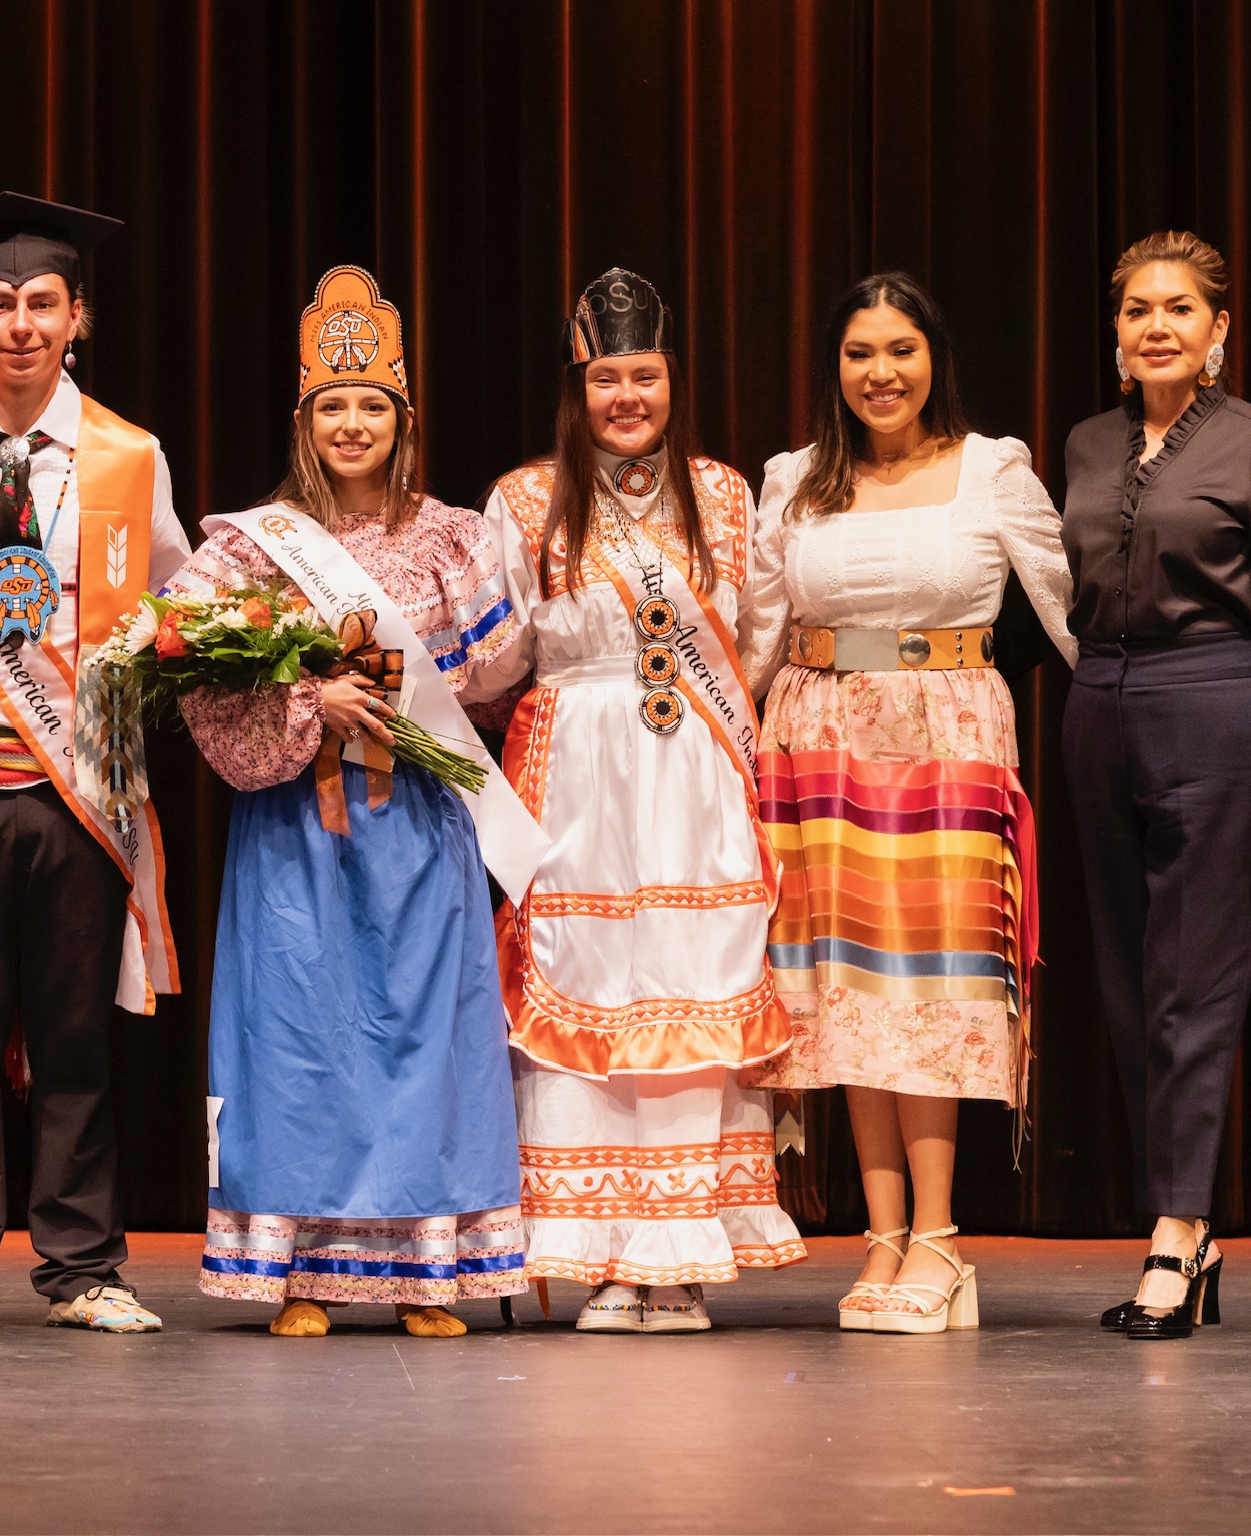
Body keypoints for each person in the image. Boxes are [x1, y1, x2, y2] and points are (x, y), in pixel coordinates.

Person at [171, 266, 544, 1338]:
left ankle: (427, 1270)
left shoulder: (456, 537)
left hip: (417, 824)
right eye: (331, 407)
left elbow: (495, 671)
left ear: (402, 419)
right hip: (298, 830)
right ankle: (303, 1276)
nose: (350, 424)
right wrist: (307, 694)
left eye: (370, 406)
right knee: (301, 1038)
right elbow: (197, 667)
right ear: (304, 421)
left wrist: (399, 682)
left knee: (425, 1033)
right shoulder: (249, 546)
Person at [465, 268, 805, 1334]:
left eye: (645, 376)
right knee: (589, 996)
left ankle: (682, 1256)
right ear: (579, 386)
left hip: (694, 770)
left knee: (695, 986)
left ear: (672, 381)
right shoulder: (523, 499)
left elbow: (753, 645)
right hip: (575, 766)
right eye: (606, 377)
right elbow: (499, 652)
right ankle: (602, 1251)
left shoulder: (727, 493)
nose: (627, 397)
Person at [0, 193, 191, 1336]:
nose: (21, 326)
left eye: (42, 305)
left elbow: (176, 593)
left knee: (73, 1039)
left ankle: (83, 1265)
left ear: (78, 319)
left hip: (79, 789)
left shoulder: (127, 453)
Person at [738, 273, 1077, 1334]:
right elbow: (750, 632)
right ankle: (883, 1237)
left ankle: (940, 1237)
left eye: (900, 349)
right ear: (833, 368)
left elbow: (1072, 617)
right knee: (843, 998)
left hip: (947, 739)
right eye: (857, 353)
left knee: (928, 990)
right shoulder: (793, 479)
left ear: (935, 358)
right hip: (816, 743)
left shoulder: (994, 471)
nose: (879, 372)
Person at [1061, 230, 1251, 1340]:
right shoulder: (1083, 444)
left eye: (1178, 309)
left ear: (1219, 332)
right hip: (1100, 712)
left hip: (1217, 705)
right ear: (1116, 332)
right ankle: (1181, 1229)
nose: (1155, 326)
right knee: (1127, 991)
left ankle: (1178, 1237)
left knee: (1193, 985)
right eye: (1136, 310)